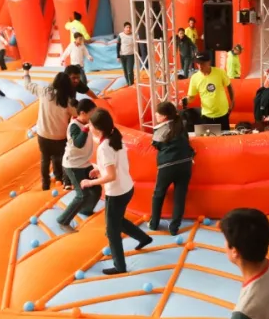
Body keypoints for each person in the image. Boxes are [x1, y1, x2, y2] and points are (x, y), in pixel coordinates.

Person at [80, 109, 152, 274]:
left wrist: (90, 182)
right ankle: (144, 238)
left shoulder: (104, 147)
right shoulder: (115, 137)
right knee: (117, 220)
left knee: (112, 231)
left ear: (98, 129)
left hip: (116, 193)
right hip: (127, 188)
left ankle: (120, 266)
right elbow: (116, 166)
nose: (89, 126)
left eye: (90, 124)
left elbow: (111, 176)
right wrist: (99, 169)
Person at [24, 65, 75, 190]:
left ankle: (45, 184)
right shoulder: (67, 101)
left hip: (43, 134)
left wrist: (26, 71)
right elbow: (76, 114)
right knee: (63, 158)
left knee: (45, 159)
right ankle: (65, 181)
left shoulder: (44, 92)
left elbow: (28, 85)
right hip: (60, 136)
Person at [149, 101, 194, 235]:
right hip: (185, 164)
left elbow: (156, 145)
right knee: (180, 196)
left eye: (158, 113)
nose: (155, 115)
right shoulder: (181, 125)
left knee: (158, 194)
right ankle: (174, 228)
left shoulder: (160, 129)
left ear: (164, 117)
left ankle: (154, 223)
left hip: (167, 166)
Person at [57, 98, 101, 228]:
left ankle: (85, 210)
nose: (94, 116)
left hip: (84, 162)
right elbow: (78, 143)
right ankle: (63, 220)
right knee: (82, 195)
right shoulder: (74, 126)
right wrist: (86, 129)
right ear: (83, 113)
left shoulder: (86, 122)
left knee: (96, 189)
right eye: (92, 113)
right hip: (73, 165)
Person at [185, 52, 233, 130]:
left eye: (202, 63)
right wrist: (186, 100)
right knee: (209, 136)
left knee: (225, 136)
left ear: (209, 62)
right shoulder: (194, 78)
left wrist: (232, 103)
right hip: (207, 115)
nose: (200, 66)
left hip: (223, 114)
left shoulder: (220, 72)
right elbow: (191, 97)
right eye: (198, 63)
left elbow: (229, 86)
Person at [117, 22, 136, 86]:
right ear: (124, 28)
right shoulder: (120, 35)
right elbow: (118, 45)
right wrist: (118, 56)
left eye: (129, 27)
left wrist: (139, 54)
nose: (128, 29)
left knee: (130, 71)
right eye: (127, 27)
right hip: (122, 55)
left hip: (130, 55)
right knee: (125, 71)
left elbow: (137, 45)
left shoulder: (133, 35)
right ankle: (128, 83)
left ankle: (131, 83)